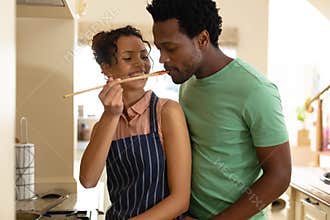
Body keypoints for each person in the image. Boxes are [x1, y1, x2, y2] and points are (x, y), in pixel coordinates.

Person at [147, 1, 291, 219]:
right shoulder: (189, 83)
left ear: (202, 39)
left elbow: (279, 175)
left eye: (171, 48)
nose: (163, 59)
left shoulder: (255, 89)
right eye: (160, 49)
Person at [79, 25, 191, 220]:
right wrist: (111, 116)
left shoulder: (167, 112)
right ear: (106, 68)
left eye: (144, 56)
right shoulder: (104, 124)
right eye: (128, 58)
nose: (140, 65)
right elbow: (88, 180)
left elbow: (180, 200)